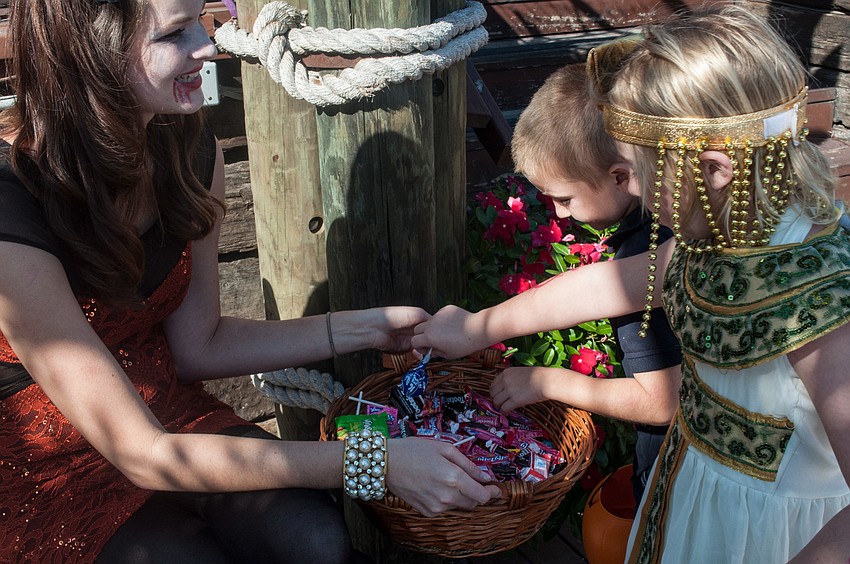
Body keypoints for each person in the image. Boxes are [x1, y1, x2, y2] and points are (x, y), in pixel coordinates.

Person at [0, 0, 500, 562]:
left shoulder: (191, 151)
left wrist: (369, 328)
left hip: (170, 416)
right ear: (93, 52)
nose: (208, 47)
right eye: (175, 33)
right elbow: (143, 456)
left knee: (316, 538)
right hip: (47, 471)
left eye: (201, 23)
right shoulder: (11, 203)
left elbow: (199, 345)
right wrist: (374, 461)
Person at [413, 6, 850, 563]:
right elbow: (603, 285)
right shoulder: (717, 235)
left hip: (772, 536)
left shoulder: (819, 304)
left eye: (638, 168)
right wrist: (476, 328)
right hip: (698, 497)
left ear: (715, 170)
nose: (634, 187)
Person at [496, 62, 682, 505]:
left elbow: (661, 402)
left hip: (673, 471)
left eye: (565, 198)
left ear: (621, 176)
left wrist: (547, 382)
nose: (559, 214)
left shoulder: (642, 250)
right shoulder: (669, 225)